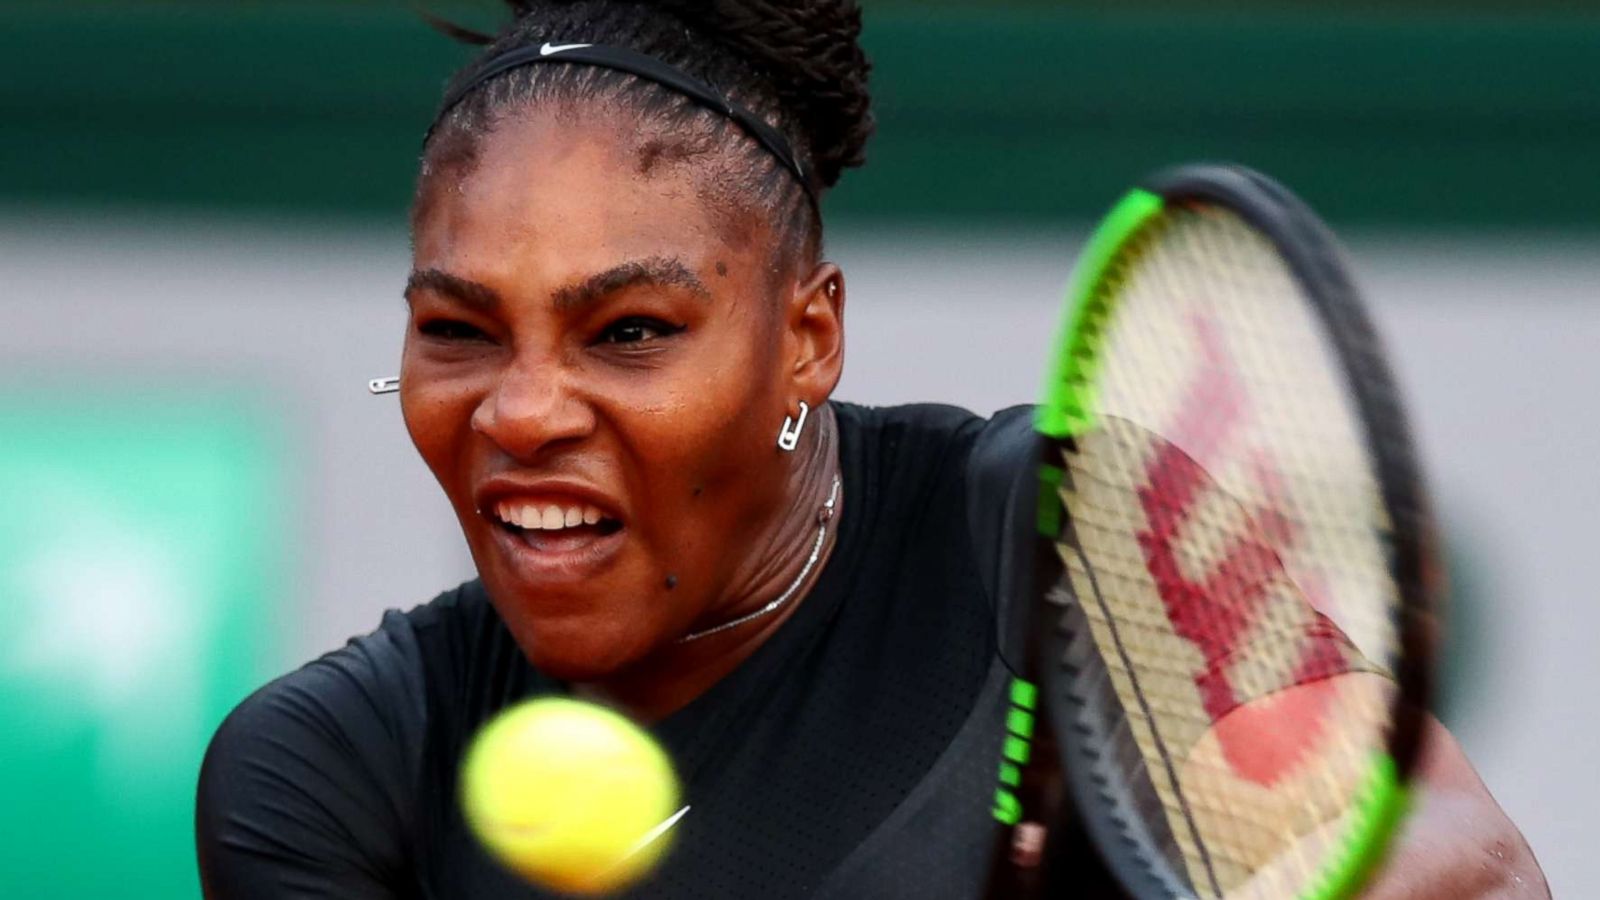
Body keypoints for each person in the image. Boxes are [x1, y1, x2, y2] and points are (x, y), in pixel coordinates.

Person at [194, 2, 1547, 897]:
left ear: (807, 340)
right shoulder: (329, 774)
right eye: (461, 330)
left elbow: (1466, 864)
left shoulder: (1068, 535)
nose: (521, 411)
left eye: (630, 331)